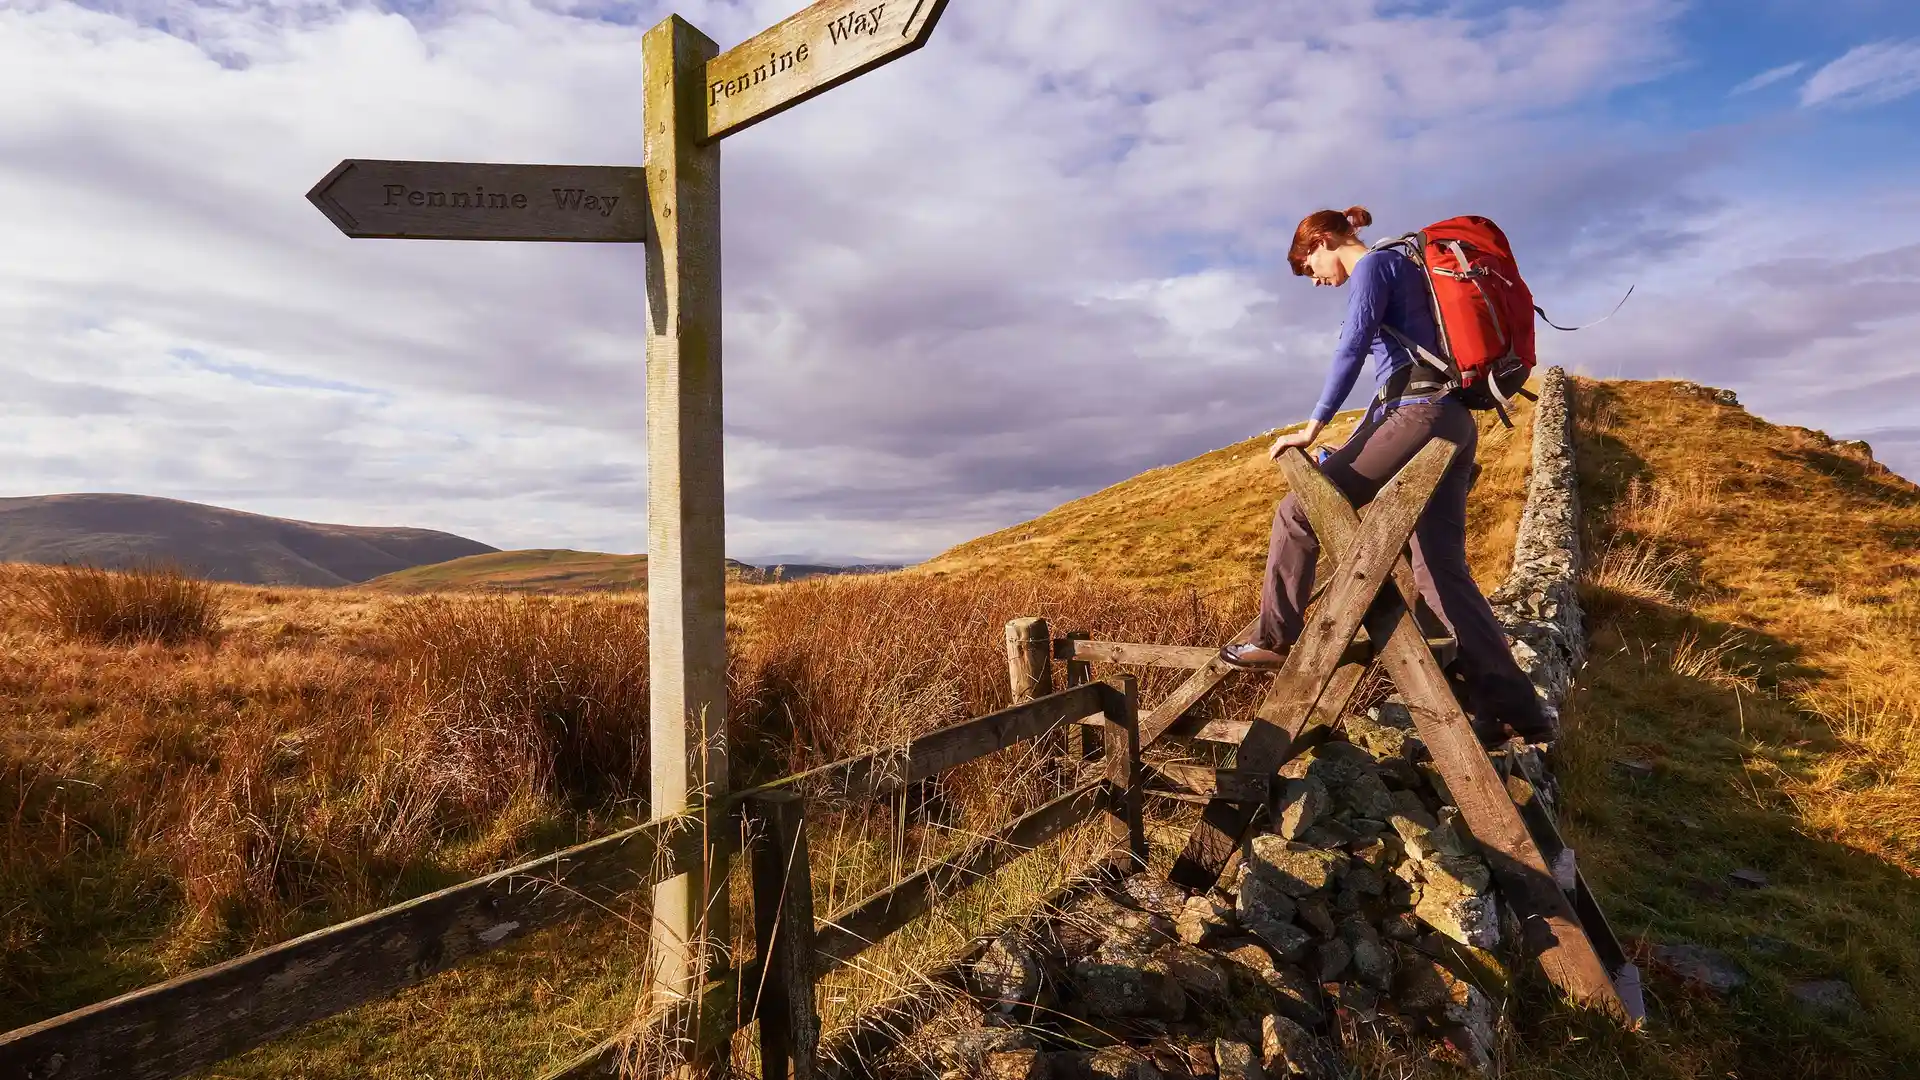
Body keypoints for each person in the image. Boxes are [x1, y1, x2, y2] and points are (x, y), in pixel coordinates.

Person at [1216, 205, 1554, 744]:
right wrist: (1346, 448)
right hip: (1452, 420)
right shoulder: (1410, 266)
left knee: (1299, 511)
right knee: (1440, 572)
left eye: (1311, 266)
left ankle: (1275, 636)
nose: (1318, 280)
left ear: (1324, 239)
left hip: (1417, 415)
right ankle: (1516, 712)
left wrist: (1312, 427)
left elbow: (1352, 346)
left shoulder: (1373, 267)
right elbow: (1394, 383)